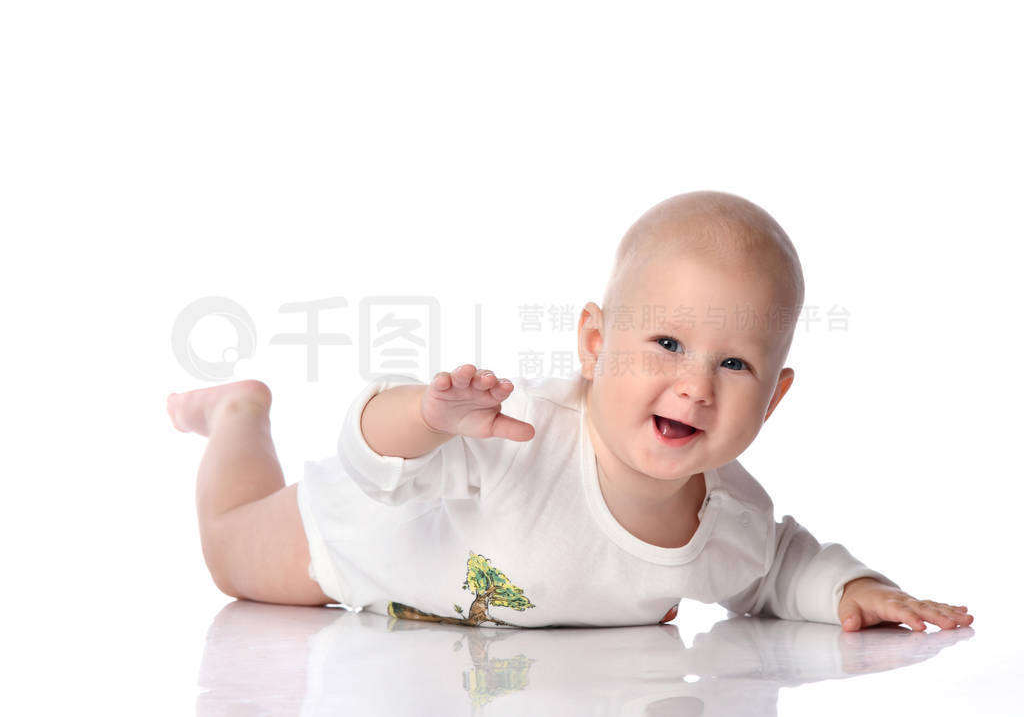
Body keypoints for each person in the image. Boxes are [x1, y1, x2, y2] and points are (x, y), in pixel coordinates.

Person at [167, 191, 974, 631]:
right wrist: (425, 413)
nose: (696, 385)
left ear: (775, 398)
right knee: (231, 549)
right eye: (665, 342)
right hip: (353, 536)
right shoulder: (522, 432)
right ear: (594, 342)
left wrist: (856, 587)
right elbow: (370, 458)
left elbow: (780, 565)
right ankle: (240, 411)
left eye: (734, 363)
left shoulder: (727, 517)